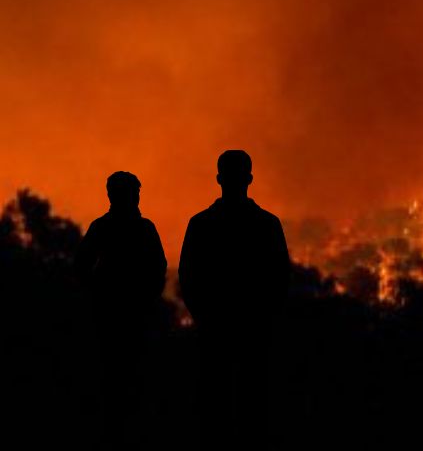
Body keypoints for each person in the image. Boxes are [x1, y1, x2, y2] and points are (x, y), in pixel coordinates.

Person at [178, 150, 289, 448]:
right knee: (252, 403)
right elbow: (280, 279)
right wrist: (266, 318)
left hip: (217, 328)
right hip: (253, 329)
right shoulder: (267, 224)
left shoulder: (201, 224)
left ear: (218, 179)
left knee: (216, 404)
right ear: (249, 179)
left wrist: (205, 317)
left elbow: (188, 278)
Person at [76, 170, 167, 444]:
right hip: (123, 315)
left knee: (118, 378)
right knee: (123, 378)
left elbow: (81, 267)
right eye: (132, 192)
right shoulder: (139, 228)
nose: (136, 197)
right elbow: (158, 268)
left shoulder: (104, 227)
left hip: (119, 314)